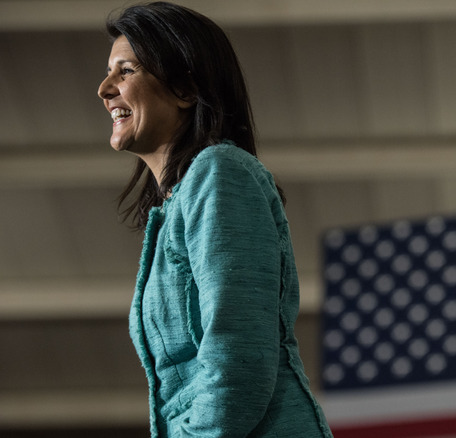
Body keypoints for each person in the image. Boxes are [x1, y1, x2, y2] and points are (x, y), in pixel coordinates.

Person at [96, 2, 333, 436]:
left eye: (126, 70)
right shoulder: (176, 203)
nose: (104, 88)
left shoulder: (219, 171)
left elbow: (238, 358)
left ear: (186, 88)